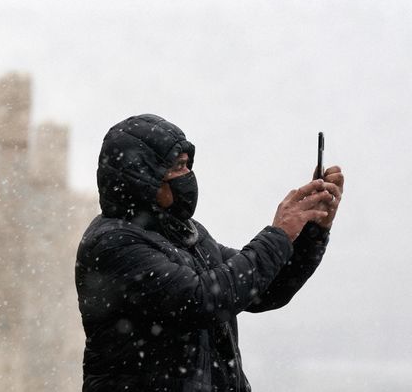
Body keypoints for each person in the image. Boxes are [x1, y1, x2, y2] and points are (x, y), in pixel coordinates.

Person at [75, 114, 343, 392]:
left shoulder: (185, 232)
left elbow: (264, 289)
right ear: (143, 176)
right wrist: (279, 233)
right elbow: (203, 299)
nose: (187, 176)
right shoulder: (113, 243)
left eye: (187, 165)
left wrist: (313, 229)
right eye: (178, 167)